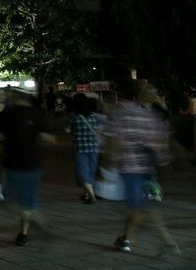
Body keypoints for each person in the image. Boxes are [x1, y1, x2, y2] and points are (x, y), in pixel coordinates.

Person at [104, 80, 177, 255]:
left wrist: (110, 160)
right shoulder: (158, 115)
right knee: (139, 205)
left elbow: (115, 137)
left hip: (131, 166)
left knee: (138, 207)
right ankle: (126, 240)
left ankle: (167, 242)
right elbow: (163, 142)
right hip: (150, 168)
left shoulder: (127, 111)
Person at [0, 89, 54, 245]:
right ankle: (23, 233)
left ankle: (37, 221)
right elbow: (48, 138)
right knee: (28, 202)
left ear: (15, 98)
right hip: (34, 164)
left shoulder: (8, 114)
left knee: (9, 202)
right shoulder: (36, 113)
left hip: (15, 164)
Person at [68, 93, 104, 204]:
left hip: (80, 148)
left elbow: (68, 130)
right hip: (94, 148)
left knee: (82, 171)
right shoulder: (94, 116)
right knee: (91, 171)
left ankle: (91, 195)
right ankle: (87, 193)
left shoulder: (74, 117)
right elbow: (102, 126)